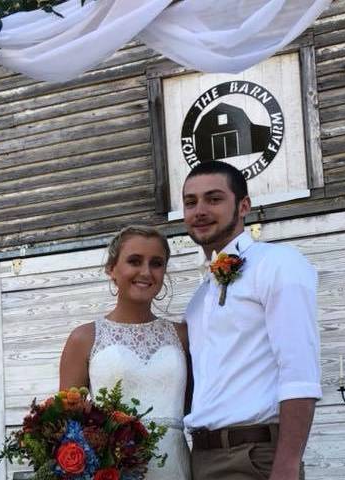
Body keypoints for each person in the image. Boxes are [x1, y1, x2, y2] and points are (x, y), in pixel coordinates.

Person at [182, 161, 322, 480]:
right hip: (199, 458)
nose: (199, 210)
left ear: (243, 205)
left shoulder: (277, 264)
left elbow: (299, 370)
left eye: (213, 199)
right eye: (191, 202)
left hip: (252, 458)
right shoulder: (199, 297)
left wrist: (286, 466)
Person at [59, 225, 192, 479]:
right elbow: (67, 425)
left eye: (156, 263)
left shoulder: (182, 336)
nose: (146, 272)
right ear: (112, 269)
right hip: (113, 469)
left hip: (176, 466)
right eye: (134, 261)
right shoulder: (84, 338)